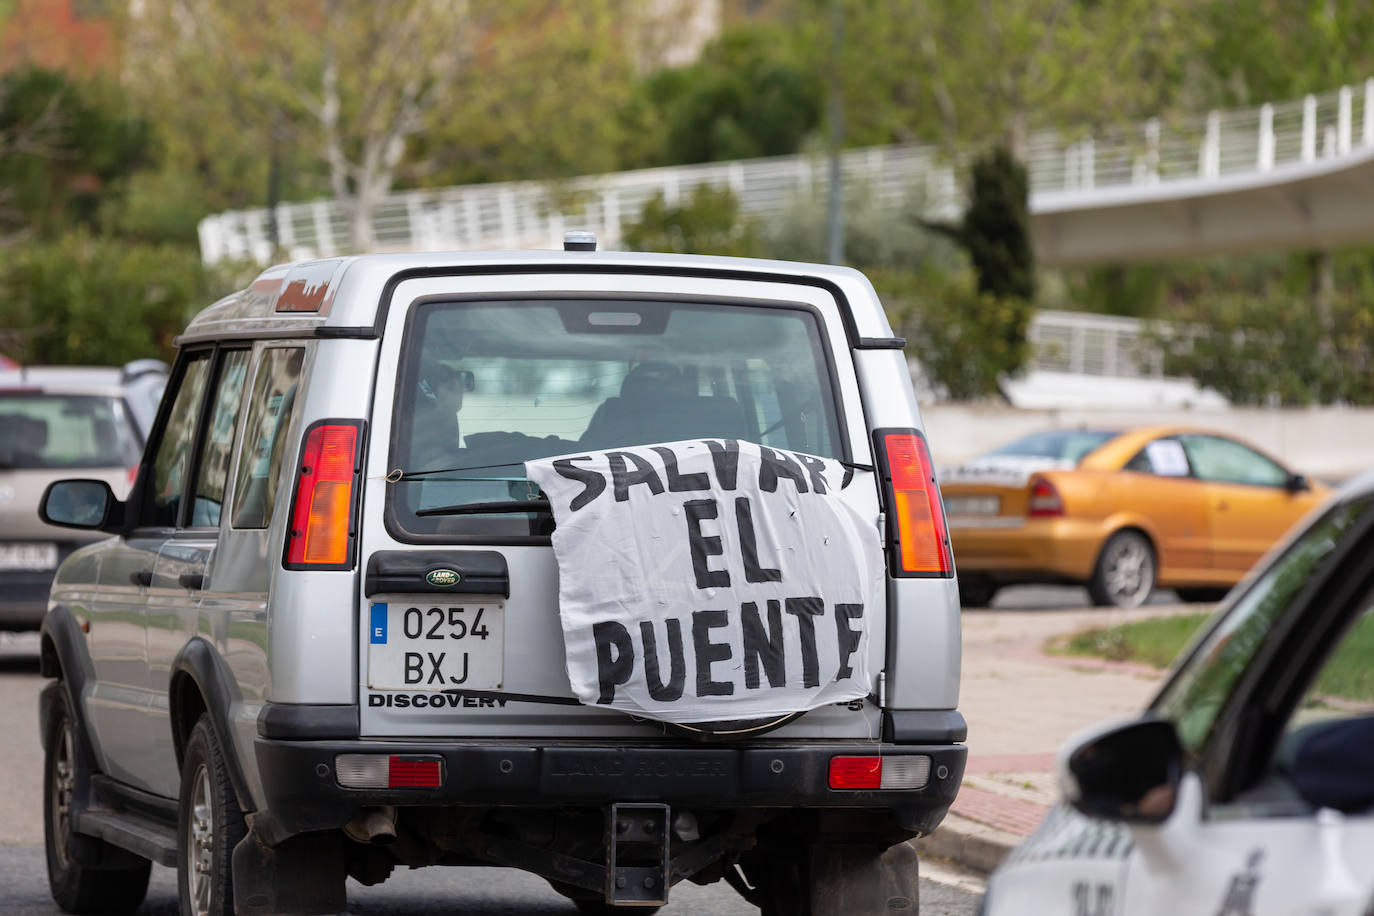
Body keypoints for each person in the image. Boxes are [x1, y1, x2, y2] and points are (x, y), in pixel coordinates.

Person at [409, 362, 472, 467]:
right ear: (430, 391)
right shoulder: (423, 422)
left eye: (461, 389)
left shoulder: (445, 417)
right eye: (452, 388)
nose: (460, 395)